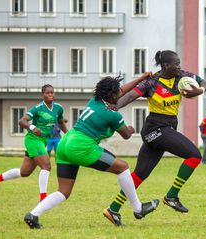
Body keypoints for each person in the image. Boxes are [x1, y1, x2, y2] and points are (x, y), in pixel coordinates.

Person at [23, 73, 159, 229]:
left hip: (66, 142)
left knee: (63, 191)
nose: (120, 94)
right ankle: (138, 208)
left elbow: (121, 90)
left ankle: (33, 215)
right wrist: (130, 128)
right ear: (111, 94)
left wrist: (142, 78)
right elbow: (127, 135)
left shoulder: (94, 100)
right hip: (81, 146)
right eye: (117, 93)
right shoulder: (113, 115)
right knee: (123, 167)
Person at [103, 50, 206, 226]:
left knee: (140, 174)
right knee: (194, 156)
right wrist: (115, 106)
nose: (179, 66)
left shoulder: (182, 76)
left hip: (166, 128)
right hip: (156, 127)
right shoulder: (151, 82)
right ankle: (171, 196)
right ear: (166, 65)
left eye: (179, 62)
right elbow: (130, 96)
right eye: (176, 63)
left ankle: (112, 209)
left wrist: (200, 90)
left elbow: (203, 81)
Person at [0, 84, 68, 202]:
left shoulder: (58, 108)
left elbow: (61, 122)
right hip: (33, 139)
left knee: (24, 172)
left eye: (52, 93)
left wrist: (68, 135)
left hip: (43, 140)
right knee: (46, 166)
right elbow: (22, 121)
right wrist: (33, 127)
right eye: (47, 93)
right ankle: (43, 198)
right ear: (42, 95)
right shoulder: (38, 108)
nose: (50, 95)